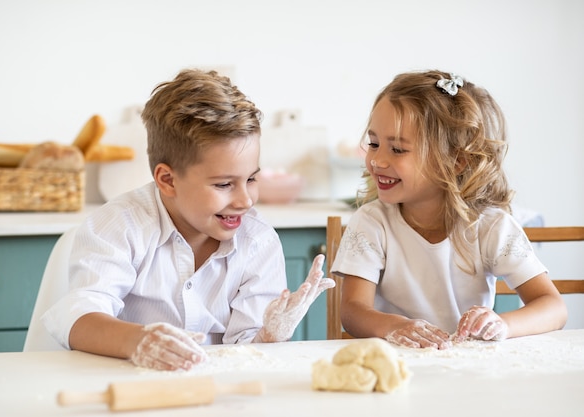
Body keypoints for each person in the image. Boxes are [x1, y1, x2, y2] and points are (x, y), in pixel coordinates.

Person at [43, 69, 334, 370]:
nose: (245, 200)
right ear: (167, 179)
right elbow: (80, 318)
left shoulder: (258, 242)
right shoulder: (119, 226)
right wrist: (140, 340)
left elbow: (247, 354)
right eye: (224, 184)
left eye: (252, 178)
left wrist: (270, 334)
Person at [331, 70, 567, 349]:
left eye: (397, 149)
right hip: (395, 365)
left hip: (468, 370)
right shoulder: (372, 223)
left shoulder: (491, 227)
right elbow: (353, 312)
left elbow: (553, 307)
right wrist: (395, 326)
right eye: (374, 144)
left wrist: (503, 324)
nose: (377, 160)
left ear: (456, 162)